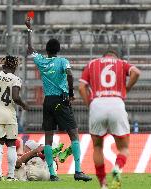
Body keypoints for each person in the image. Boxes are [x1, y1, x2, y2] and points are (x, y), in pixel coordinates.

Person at [25, 18, 92, 182]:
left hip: (47, 101)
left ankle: (52, 174)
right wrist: (70, 93)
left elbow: (30, 49)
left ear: (47, 50)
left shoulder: (41, 61)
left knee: (48, 138)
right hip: (61, 101)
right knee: (74, 135)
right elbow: (70, 75)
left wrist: (29, 30)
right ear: (58, 50)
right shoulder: (62, 61)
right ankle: (78, 171)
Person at [79, 50, 141, 189]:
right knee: (124, 148)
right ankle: (117, 168)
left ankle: (103, 184)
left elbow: (81, 87)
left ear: (104, 57)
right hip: (116, 103)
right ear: (115, 57)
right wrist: (126, 88)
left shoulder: (92, 64)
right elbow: (136, 72)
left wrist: (90, 104)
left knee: (97, 147)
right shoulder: (121, 63)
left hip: (97, 104)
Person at [0, 55, 28, 181]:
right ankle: (11, 176)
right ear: (15, 67)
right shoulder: (15, 79)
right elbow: (15, 97)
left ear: (3, 65)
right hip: (9, 114)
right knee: (12, 145)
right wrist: (24, 105)